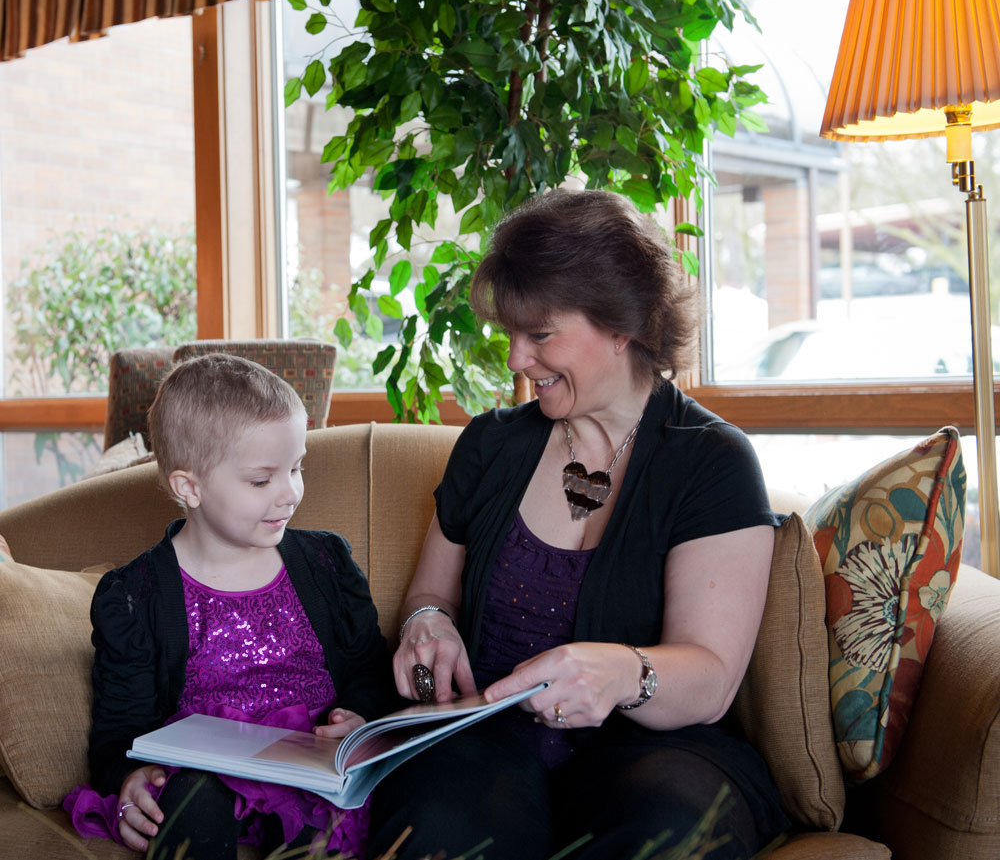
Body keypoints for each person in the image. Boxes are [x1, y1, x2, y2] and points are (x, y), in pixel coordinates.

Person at [368, 189, 790, 860]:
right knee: (438, 818)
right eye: (511, 334)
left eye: (539, 334)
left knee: (673, 827)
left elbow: (709, 677)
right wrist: (428, 624)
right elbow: (429, 595)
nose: (515, 360)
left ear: (621, 325)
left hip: (648, 752)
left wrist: (624, 672)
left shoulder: (709, 461)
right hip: (487, 745)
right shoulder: (490, 445)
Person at [64, 353, 395, 859]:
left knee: (328, 829)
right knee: (190, 804)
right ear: (189, 487)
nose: (290, 494)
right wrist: (127, 778)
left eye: (297, 467)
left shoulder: (326, 563)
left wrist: (360, 717)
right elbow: (118, 732)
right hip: (202, 779)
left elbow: (371, 672)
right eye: (262, 480)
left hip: (314, 775)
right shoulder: (135, 597)